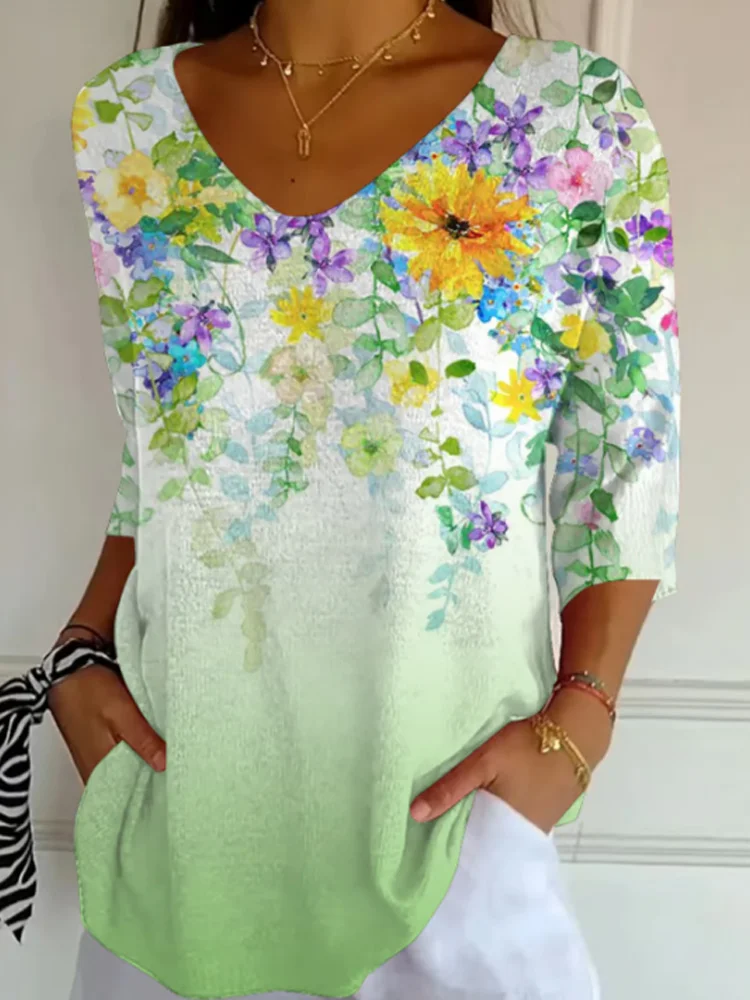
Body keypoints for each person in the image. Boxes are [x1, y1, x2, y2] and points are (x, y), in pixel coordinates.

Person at [0, 1, 680, 997]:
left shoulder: (574, 116)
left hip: (450, 850)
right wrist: (81, 648)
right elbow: (163, 457)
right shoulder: (126, 119)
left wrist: (582, 723)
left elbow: (627, 461)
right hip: (177, 836)